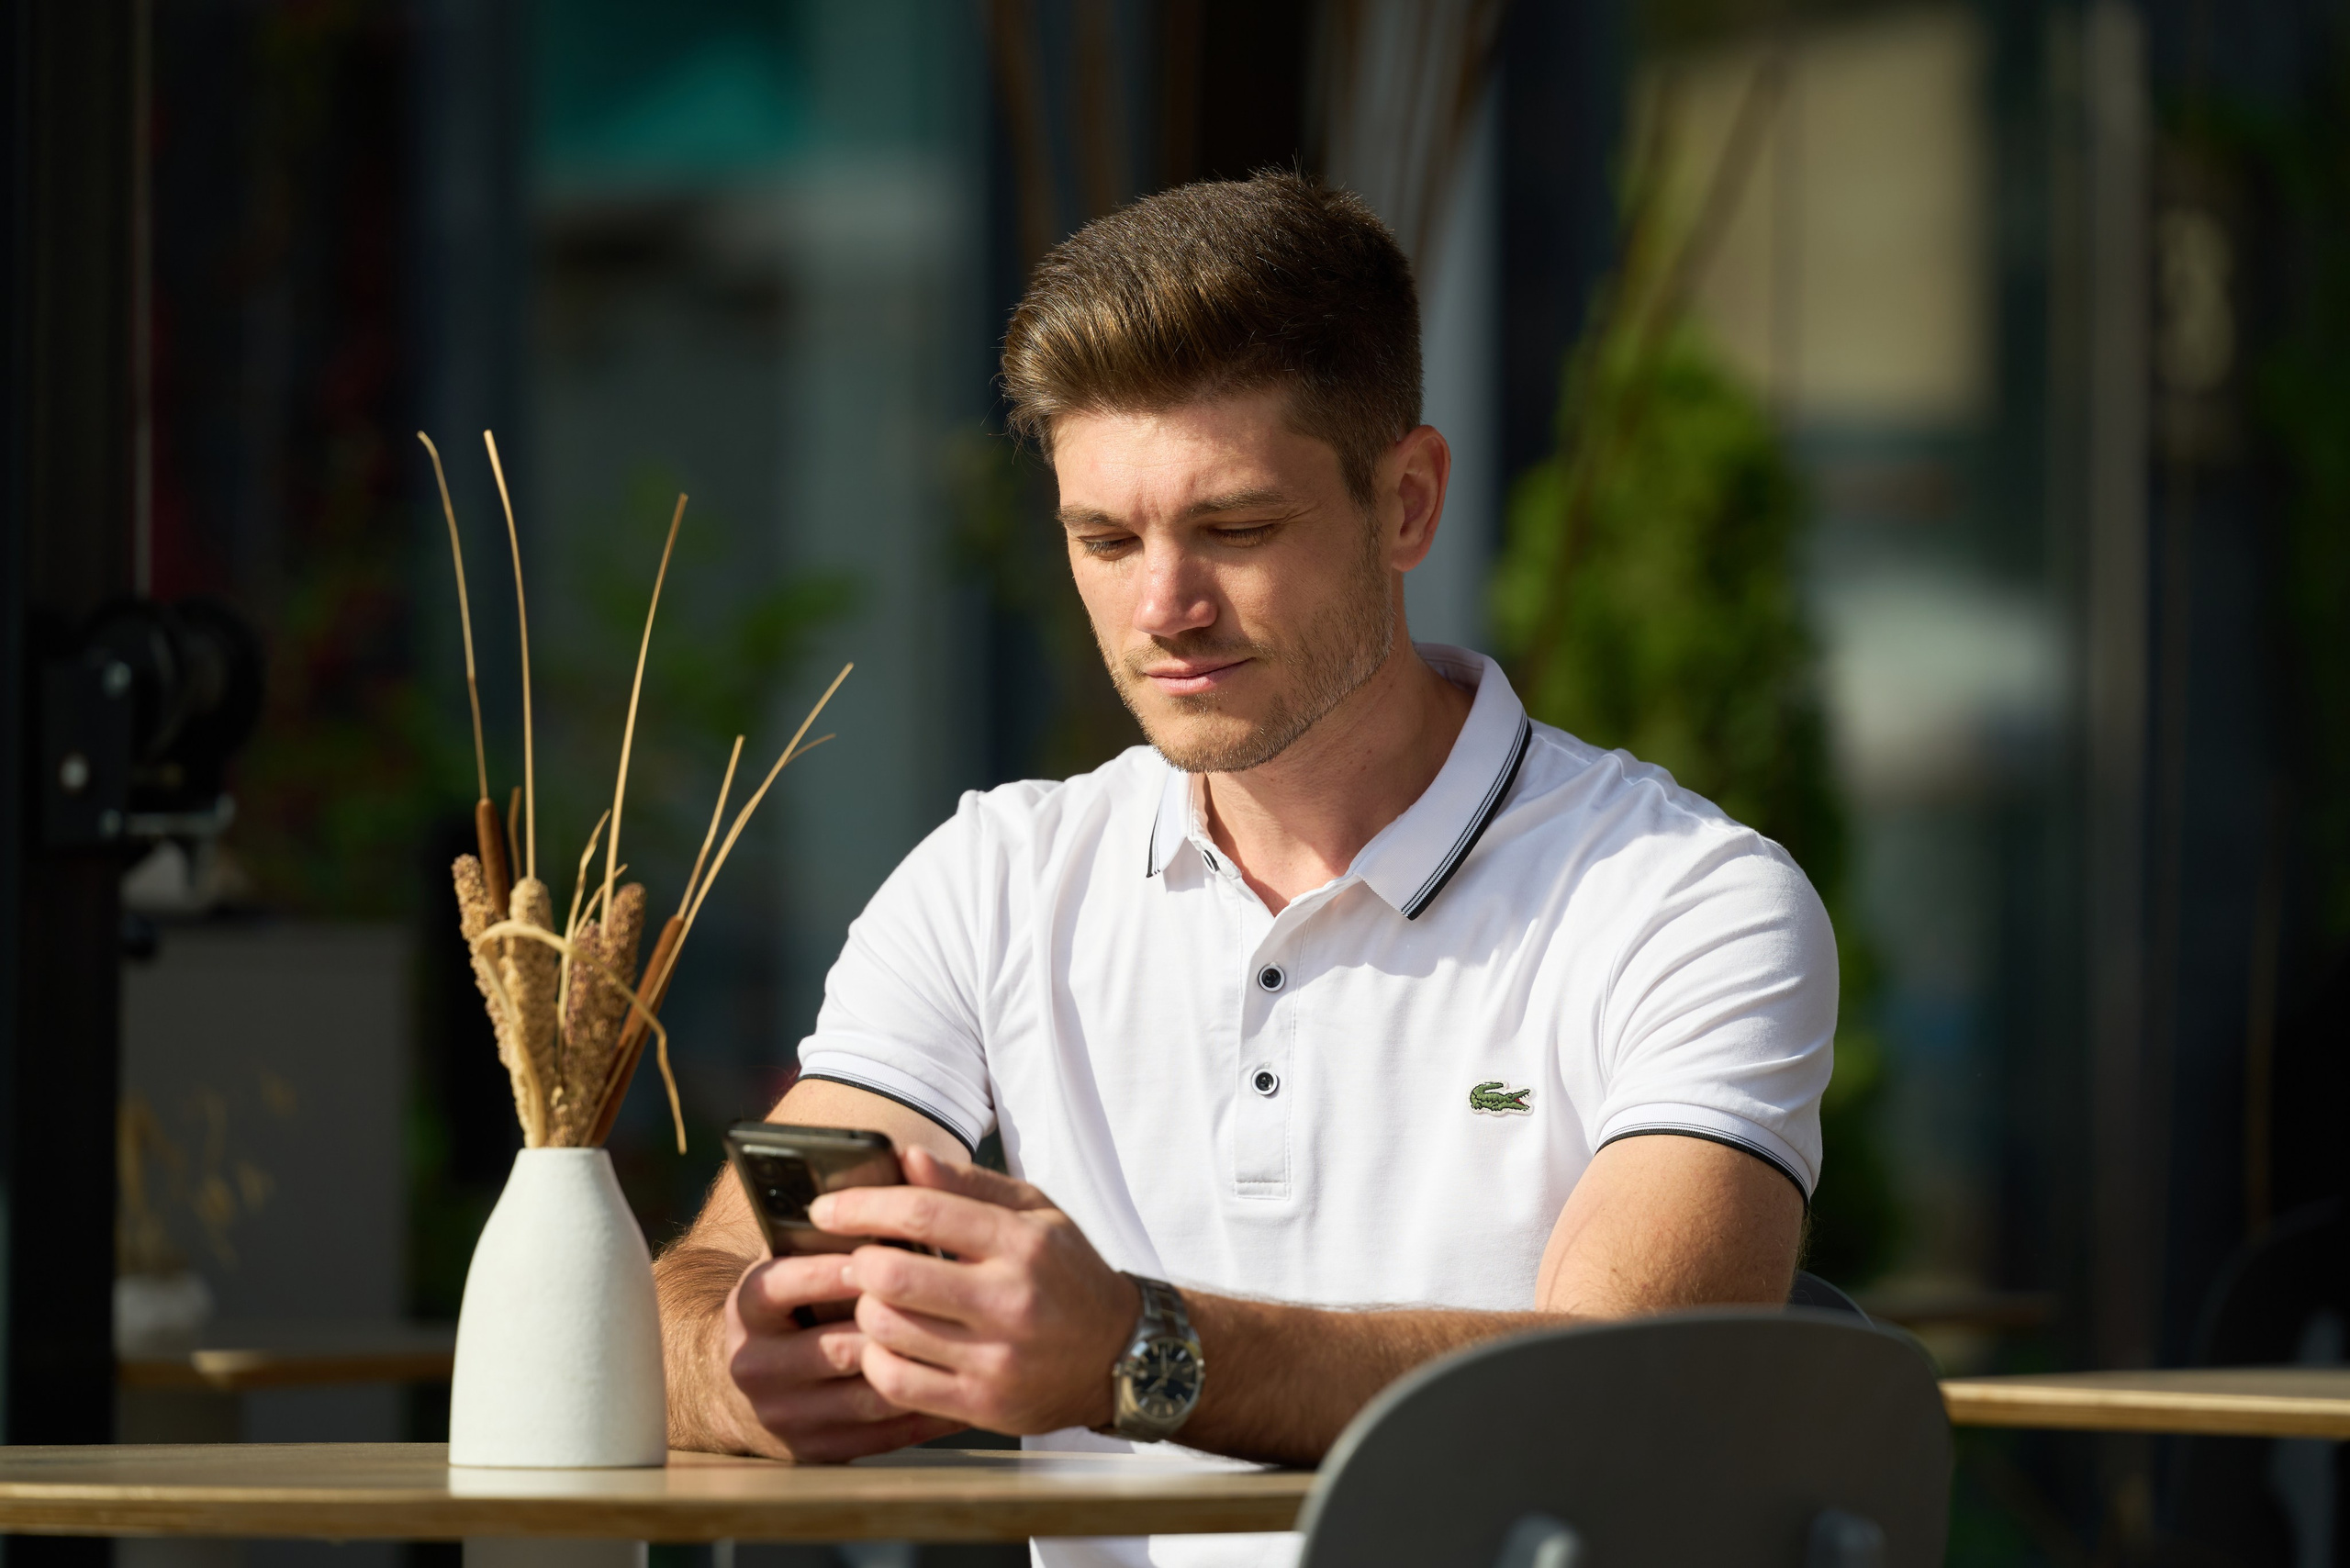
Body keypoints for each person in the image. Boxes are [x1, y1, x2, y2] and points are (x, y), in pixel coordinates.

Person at [655, 171, 1833, 1567]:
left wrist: (1136, 1351)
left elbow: (1625, 1397)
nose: (1165, 607)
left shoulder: (1685, 901)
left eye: (1235, 530)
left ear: (1405, 503)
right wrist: (744, 1371)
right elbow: (702, 1284)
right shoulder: (996, 879)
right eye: (1106, 540)